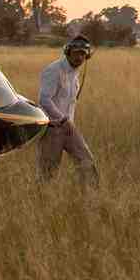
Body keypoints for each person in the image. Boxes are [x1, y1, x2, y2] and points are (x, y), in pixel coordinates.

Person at [37, 35, 98, 183]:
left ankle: (89, 200)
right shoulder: (54, 70)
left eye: (83, 54)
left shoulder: (74, 74)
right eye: (76, 53)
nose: (80, 57)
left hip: (68, 127)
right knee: (47, 174)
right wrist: (63, 119)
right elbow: (44, 100)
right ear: (68, 52)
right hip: (52, 128)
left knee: (87, 162)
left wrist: (68, 122)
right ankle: (41, 201)